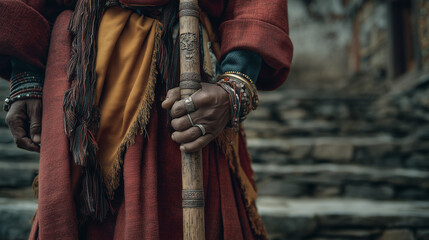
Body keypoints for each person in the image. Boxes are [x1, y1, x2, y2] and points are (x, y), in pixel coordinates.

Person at [0, 0, 293, 239]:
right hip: (81, 70)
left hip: (180, 68)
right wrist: (26, 75)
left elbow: (255, 7)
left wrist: (235, 84)